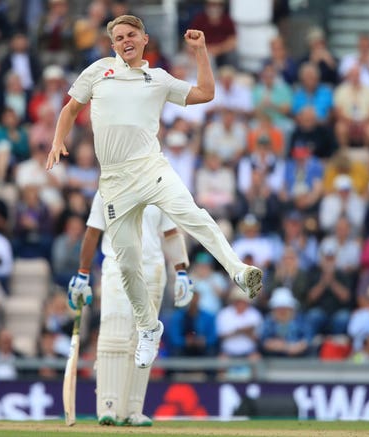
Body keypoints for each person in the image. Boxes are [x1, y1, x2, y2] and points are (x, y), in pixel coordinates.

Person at [48, 15, 263, 371]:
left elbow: (206, 93)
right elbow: (70, 109)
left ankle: (238, 271)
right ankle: (149, 327)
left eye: (131, 34)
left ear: (145, 39)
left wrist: (201, 52)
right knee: (127, 262)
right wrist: (58, 141)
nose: (125, 40)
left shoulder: (158, 79)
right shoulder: (98, 71)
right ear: (113, 44)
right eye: (118, 37)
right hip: (115, 183)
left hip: (151, 169)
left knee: (194, 215)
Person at [69, 192, 194, 426]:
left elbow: (171, 233)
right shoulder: (108, 187)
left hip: (152, 270)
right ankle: (108, 406)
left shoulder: (159, 186)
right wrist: (83, 274)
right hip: (117, 266)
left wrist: (181, 271)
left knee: (144, 339)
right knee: (114, 336)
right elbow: (93, 231)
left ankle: (133, 410)